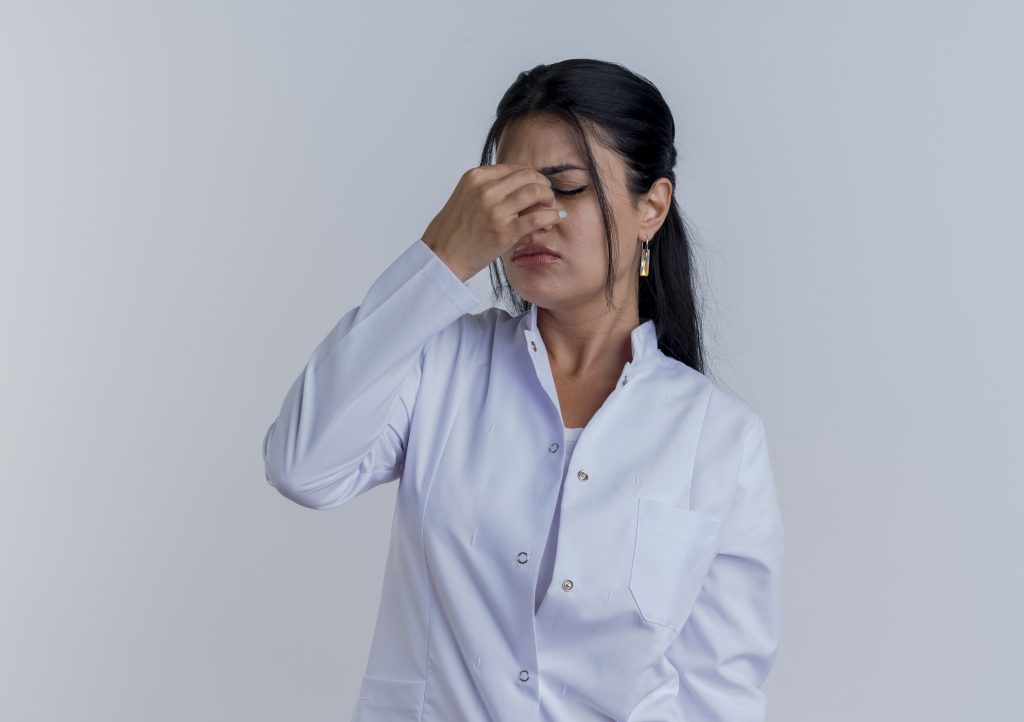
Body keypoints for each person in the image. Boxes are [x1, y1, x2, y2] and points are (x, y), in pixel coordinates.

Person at [262, 58, 784, 722]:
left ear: (651, 206)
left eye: (565, 188)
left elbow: (719, 696)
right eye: (510, 194)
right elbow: (301, 465)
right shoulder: (439, 362)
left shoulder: (719, 437)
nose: (534, 218)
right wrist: (442, 256)